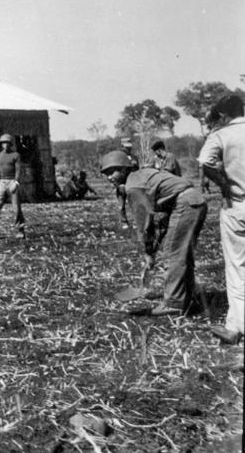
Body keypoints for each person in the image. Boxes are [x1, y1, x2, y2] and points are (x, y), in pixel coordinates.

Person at [100, 150, 207, 316]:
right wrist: (154, 246)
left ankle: (174, 302)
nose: (109, 177)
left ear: (124, 169)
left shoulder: (133, 187)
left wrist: (148, 252)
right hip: (194, 201)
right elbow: (161, 218)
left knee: (173, 253)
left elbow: (144, 223)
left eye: (112, 172)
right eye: (106, 174)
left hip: (185, 203)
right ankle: (188, 295)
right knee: (183, 253)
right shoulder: (141, 175)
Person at [198, 94, 245, 344]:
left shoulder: (221, 134)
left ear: (224, 115)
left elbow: (205, 162)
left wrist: (224, 183)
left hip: (237, 205)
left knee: (237, 267)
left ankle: (236, 326)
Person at [0, 134, 25, 240]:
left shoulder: (16, 155)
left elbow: (18, 170)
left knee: (16, 208)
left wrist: (16, 183)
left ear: (10, 144)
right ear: (1, 144)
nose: (5, 145)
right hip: (2, 182)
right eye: (3, 143)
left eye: (7, 143)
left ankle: (20, 230)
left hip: (12, 181)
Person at [117, 138, 139, 226]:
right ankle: (123, 222)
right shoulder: (118, 158)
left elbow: (137, 171)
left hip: (133, 184)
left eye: (129, 147)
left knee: (135, 204)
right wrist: (118, 184)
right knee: (121, 205)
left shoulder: (134, 158)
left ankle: (137, 222)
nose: (128, 148)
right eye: (126, 147)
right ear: (122, 146)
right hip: (121, 184)